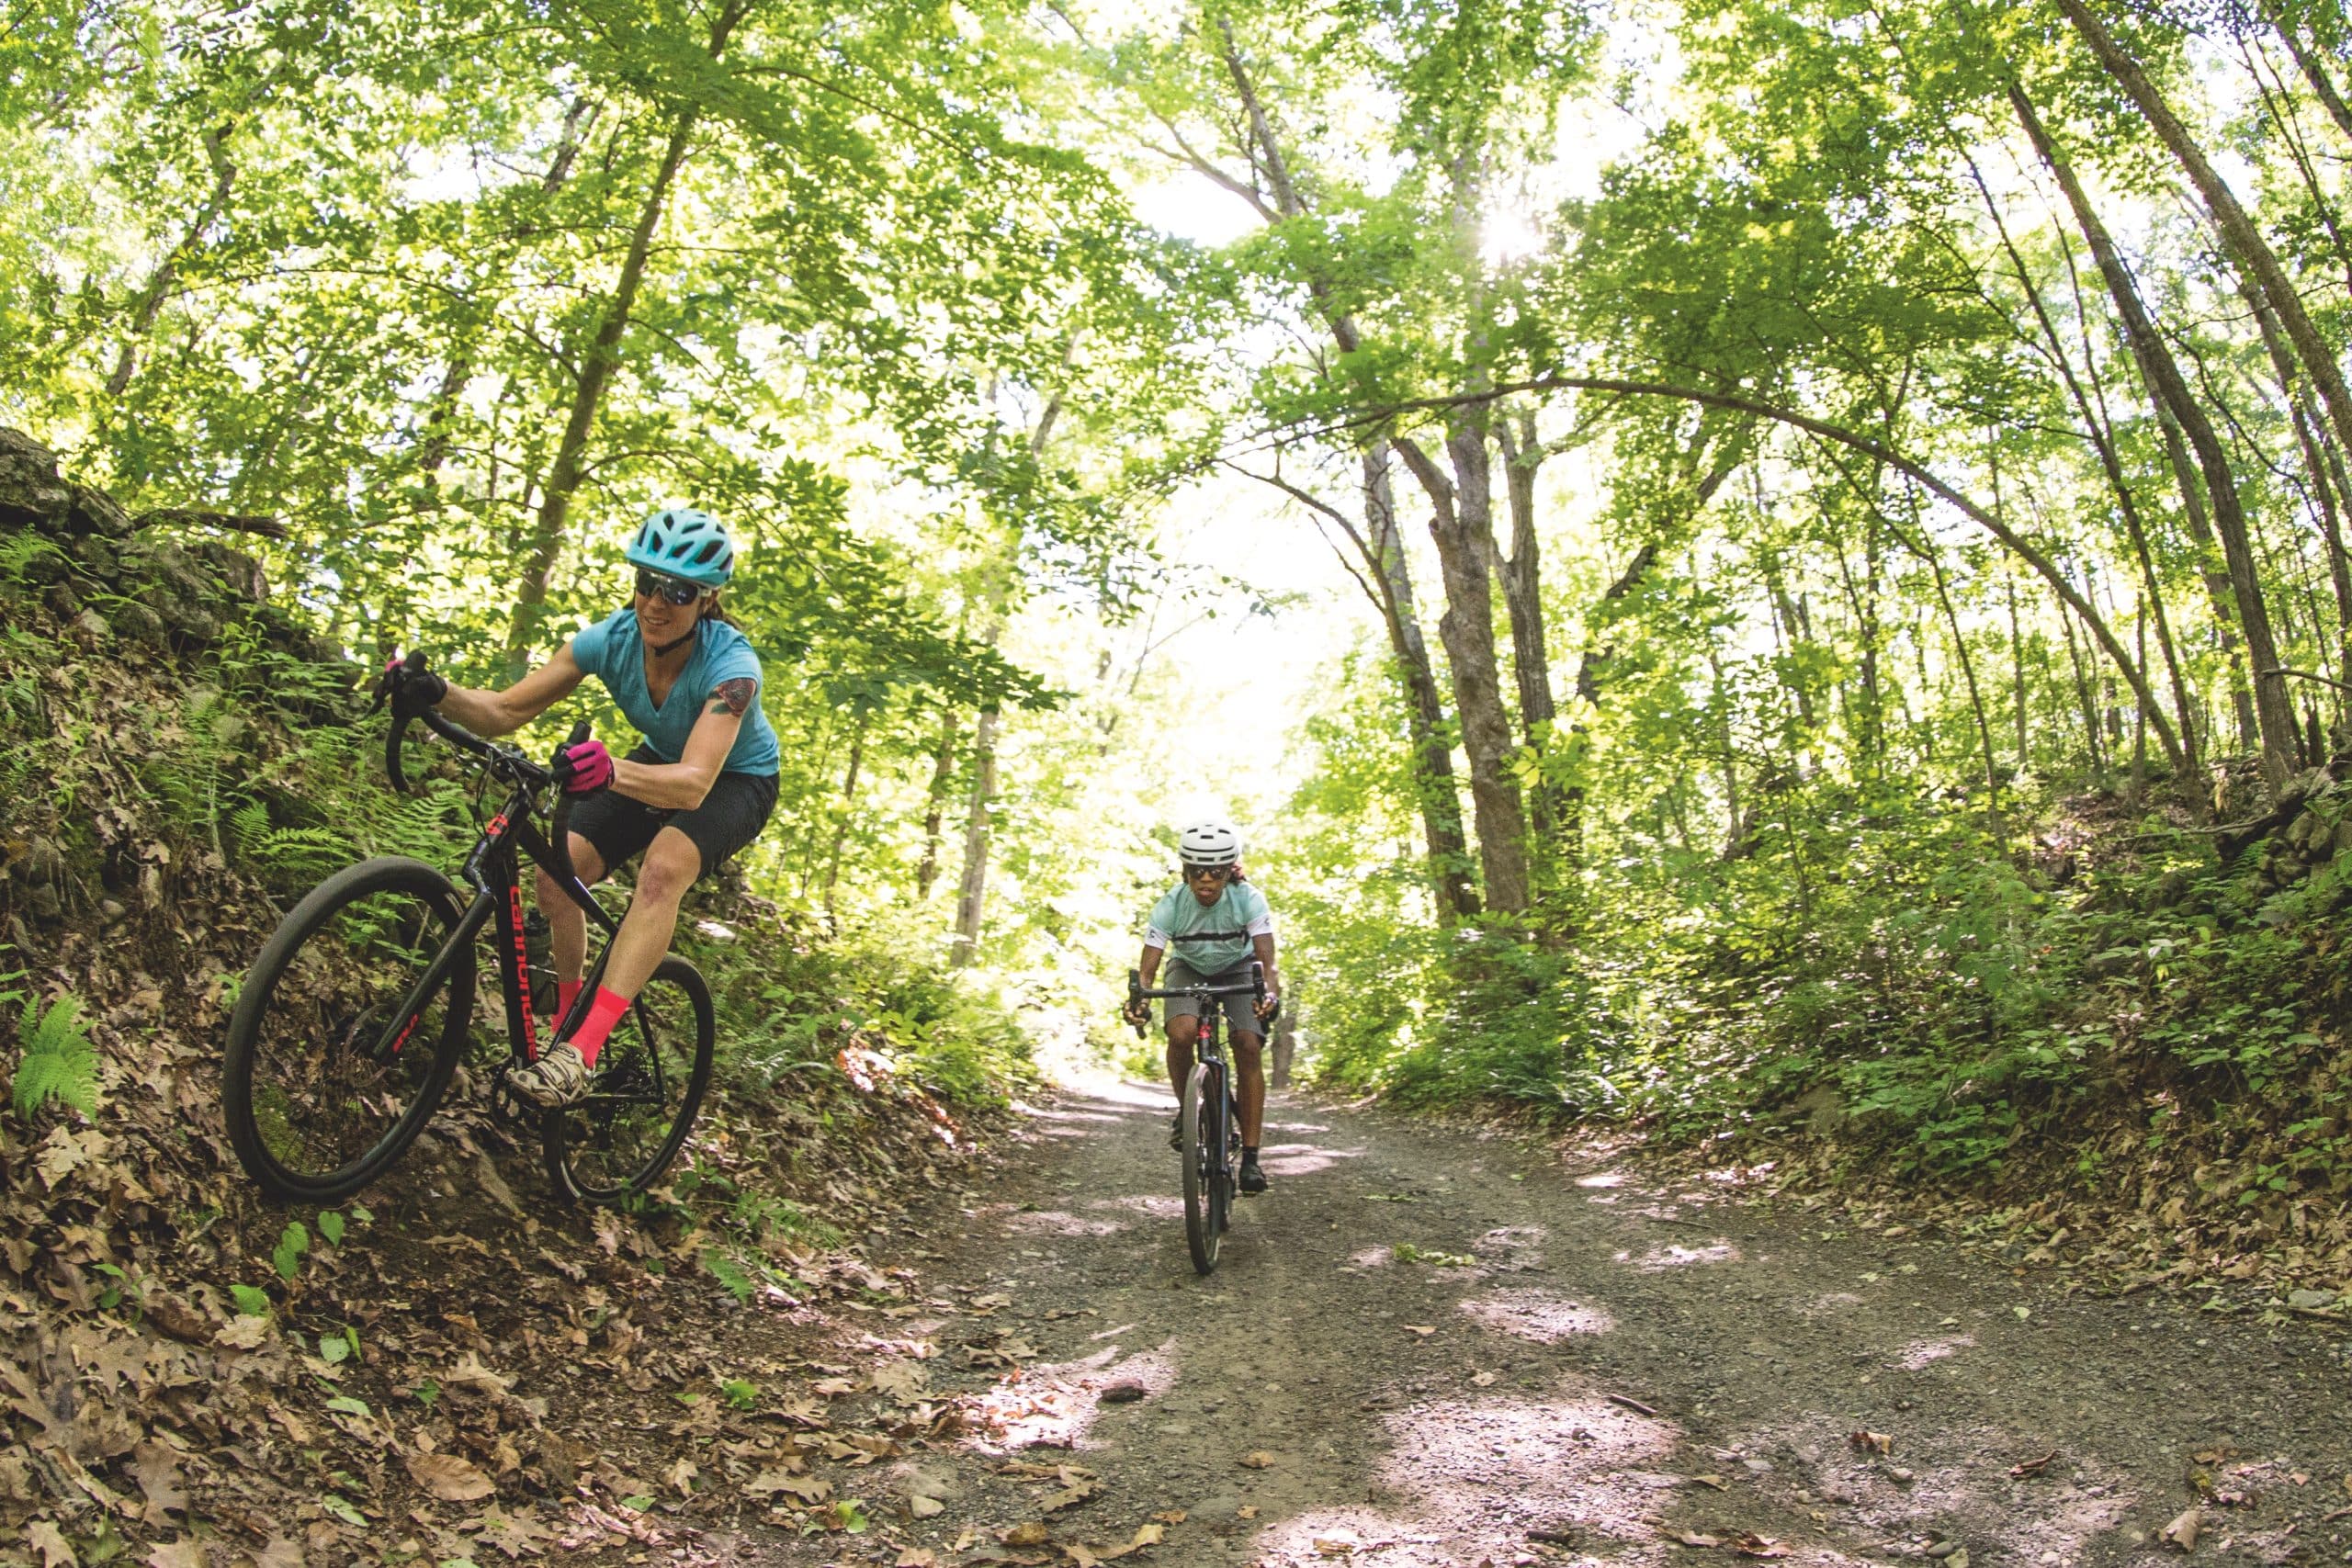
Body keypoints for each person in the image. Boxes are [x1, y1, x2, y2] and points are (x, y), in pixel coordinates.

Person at [382, 506, 780, 1106]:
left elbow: (695, 784)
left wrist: (609, 768)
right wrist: (438, 692)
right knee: (556, 871)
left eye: (676, 590)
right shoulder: (609, 641)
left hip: (737, 778)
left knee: (664, 868)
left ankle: (582, 1053)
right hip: (659, 758)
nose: (655, 601)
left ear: (705, 600)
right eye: (646, 582)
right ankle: (564, 1026)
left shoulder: (733, 669)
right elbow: (504, 710)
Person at [1123, 821, 1282, 1194]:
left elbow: (1267, 962)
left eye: (1216, 871)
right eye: (1197, 871)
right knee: (1181, 1033)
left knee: (1246, 1041)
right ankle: (1188, 1110)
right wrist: (1139, 1001)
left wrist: (1269, 996)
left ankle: (1253, 1159)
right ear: (1185, 871)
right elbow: (1148, 971)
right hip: (1189, 967)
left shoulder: (1249, 899)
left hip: (1240, 968)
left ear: (1229, 872)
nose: (1206, 880)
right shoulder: (1171, 905)